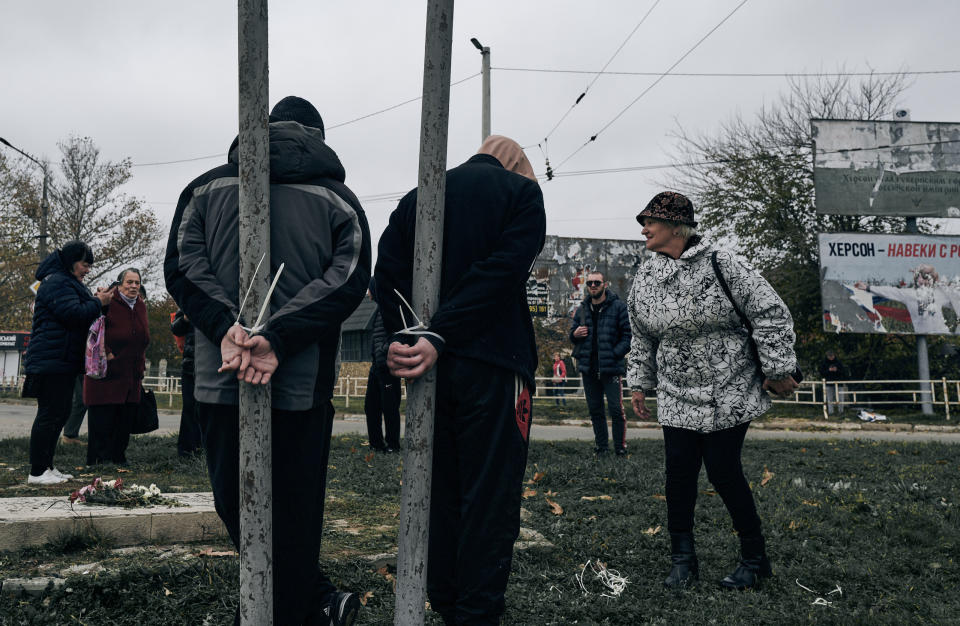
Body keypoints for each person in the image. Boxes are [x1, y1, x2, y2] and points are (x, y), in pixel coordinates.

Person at [164, 95, 370, 626]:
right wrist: (279, 338)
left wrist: (226, 327)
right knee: (297, 504)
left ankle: (277, 605)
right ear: (318, 137)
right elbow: (346, 281)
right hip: (302, 382)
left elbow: (184, 268)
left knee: (234, 497)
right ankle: (306, 601)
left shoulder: (204, 189)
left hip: (220, 371)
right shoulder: (338, 200)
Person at [374, 134, 545, 625]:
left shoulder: (418, 197)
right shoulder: (520, 194)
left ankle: (446, 599)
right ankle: (476, 612)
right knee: (490, 495)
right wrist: (444, 333)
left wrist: (408, 340)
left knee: (439, 489)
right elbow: (504, 272)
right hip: (495, 362)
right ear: (516, 164)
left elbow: (386, 276)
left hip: (429, 367)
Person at [627, 191, 798, 591]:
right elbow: (641, 335)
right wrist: (640, 382)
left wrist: (777, 369)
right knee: (679, 474)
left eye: (650, 220)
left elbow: (770, 313)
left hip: (728, 388)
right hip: (676, 392)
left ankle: (755, 559)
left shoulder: (724, 263)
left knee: (723, 471)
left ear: (675, 226)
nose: (643, 228)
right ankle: (682, 561)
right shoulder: (646, 276)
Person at [25, 241, 113, 485]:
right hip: (50, 361)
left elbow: (78, 310)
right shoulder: (56, 282)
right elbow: (73, 314)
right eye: (85, 264)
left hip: (61, 360)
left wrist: (95, 300)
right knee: (49, 415)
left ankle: (47, 467)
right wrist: (99, 302)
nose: (87, 270)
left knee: (59, 414)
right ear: (72, 261)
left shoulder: (66, 282)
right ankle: (37, 472)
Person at [83, 268, 149, 466]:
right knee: (103, 417)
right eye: (129, 282)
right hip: (107, 370)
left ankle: (118, 457)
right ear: (120, 284)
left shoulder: (140, 305)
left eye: (137, 282)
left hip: (131, 372)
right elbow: (93, 329)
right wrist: (108, 352)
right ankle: (99, 459)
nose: (133, 286)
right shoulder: (107, 301)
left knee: (125, 418)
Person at [569, 271, 631, 455]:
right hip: (588, 368)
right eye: (589, 283)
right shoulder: (582, 309)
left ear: (605, 284)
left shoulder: (619, 307)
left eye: (597, 282)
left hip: (610, 368)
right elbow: (572, 334)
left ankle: (620, 448)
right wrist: (574, 334)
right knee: (595, 410)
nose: (593, 286)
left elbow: (627, 337)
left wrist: (614, 354)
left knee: (616, 409)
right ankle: (602, 447)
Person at [364, 285, 401, 453]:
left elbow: (396, 333)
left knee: (390, 407)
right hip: (376, 368)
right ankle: (376, 444)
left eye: (370, 288)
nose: (368, 292)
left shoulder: (389, 308)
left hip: (388, 370)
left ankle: (393, 445)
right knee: (370, 406)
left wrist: (383, 350)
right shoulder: (379, 309)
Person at [171, 309, 202, 456]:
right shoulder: (190, 301)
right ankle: (186, 450)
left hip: (213, 365)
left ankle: (203, 447)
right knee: (189, 408)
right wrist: (184, 319)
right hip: (191, 365)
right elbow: (176, 329)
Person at [819, 350, 847, 415]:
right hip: (829, 383)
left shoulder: (839, 362)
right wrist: (828, 370)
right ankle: (831, 412)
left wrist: (836, 370)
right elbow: (821, 372)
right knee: (829, 398)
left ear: (834, 355)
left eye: (832, 356)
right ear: (827, 356)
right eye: (829, 356)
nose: (831, 357)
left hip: (839, 382)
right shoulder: (824, 363)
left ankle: (841, 411)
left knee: (841, 398)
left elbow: (843, 372)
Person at [61, 374, 86, 445]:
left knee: (83, 399)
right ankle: (69, 436)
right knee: (80, 400)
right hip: (72, 366)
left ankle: (70, 436)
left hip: (84, 366)